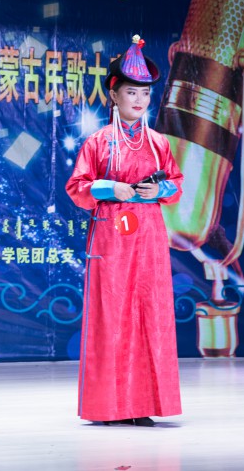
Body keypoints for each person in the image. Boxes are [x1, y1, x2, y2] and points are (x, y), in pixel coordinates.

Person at [64, 34, 183, 427]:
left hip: (148, 237)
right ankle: (110, 407)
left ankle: (143, 405)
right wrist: (108, 188)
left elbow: (176, 184)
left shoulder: (158, 143)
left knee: (150, 313)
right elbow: (77, 187)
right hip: (112, 238)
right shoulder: (99, 143)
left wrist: (159, 190)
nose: (139, 100)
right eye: (131, 92)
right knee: (112, 315)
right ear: (114, 95)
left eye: (145, 93)